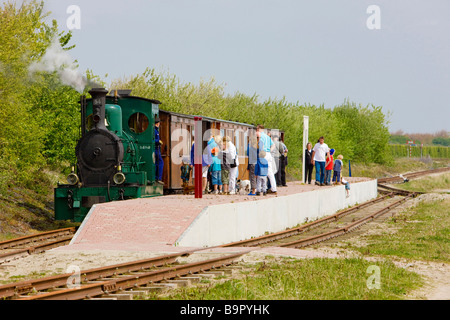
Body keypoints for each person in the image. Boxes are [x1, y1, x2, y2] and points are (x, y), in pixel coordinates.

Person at [256, 125, 277, 195]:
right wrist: (269, 151)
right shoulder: (268, 137)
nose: (256, 130)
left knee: (261, 171)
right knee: (270, 172)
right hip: (268, 154)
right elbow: (273, 145)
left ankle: (261, 189)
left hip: (263, 154)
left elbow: (260, 144)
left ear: (259, 129)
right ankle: (274, 188)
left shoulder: (260, 135)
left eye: (257, 129)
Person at [154, 117, 164, 184]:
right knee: (160, 162)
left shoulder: (156, 130)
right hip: (155, 149)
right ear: (158, 123)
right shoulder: (154, 131)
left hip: (157, 149)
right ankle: (158, 178)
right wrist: (158, 141)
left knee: (157, 163)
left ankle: (157, 178)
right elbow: (151, 140)